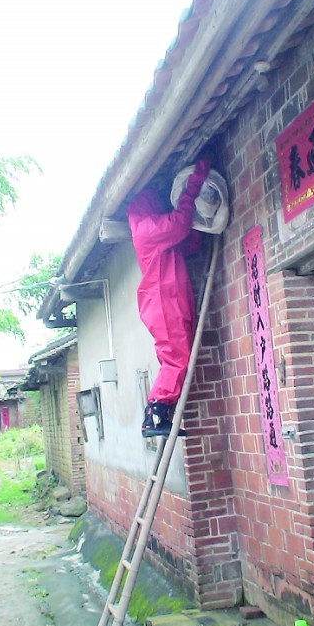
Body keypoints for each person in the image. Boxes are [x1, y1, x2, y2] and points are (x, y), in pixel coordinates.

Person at [127, 156, 211, 437]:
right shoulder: (145, 230)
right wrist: (192, 189)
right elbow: (177, 225)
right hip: (163, 300)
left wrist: (197, 234)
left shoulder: (151, 232)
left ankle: (158, 414)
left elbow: (182, 242)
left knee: (174, 357)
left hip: (169, 298)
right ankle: (155, 414)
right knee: (176, 358)